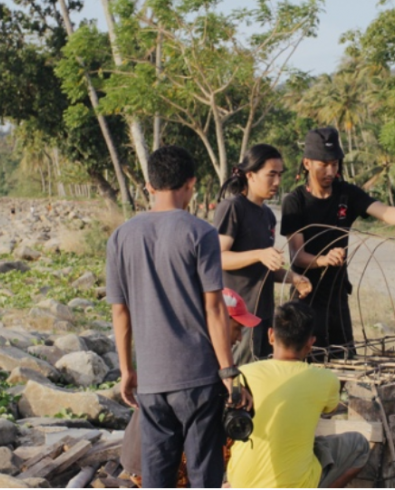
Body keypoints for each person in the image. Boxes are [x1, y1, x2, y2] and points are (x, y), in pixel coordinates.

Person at [106, 145, 250, 488]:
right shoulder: (200, 233)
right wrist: (228, 373)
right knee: (204, 474)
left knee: (157, 478)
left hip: (153, 384)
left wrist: (127, 370)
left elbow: (120, 311)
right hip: (199, 379)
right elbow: (215, 308)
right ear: (191, 184)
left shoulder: (120, 237)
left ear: (149, 185)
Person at [280, 127, 395, 356]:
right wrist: (325, 259)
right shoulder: (295, 201)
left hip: (337, 298)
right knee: (307, 365)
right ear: (307, 163)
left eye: (335, 164)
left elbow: (383, 211)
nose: (330, 171)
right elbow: (298, 255)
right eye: (323, 164)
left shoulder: (346, 194)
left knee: (344, 362)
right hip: (306, 298)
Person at [120, 288, 261, 487]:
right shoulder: (204, 366)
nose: (239, 338)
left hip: (145, 462)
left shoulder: (178, 350)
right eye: (237, 328)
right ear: (219, 321)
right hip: (156, 464)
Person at [227, 301, 370, 488]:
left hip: (240, 482)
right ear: (310, 343)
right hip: (296, 483)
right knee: (359, 445)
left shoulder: (243, 374)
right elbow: (330, 407)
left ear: (271, 335)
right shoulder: (325, 379)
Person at [215, 143, 311, 363]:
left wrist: (292, 278)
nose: (277, 182)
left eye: (279, 175)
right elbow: (218, 257)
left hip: (263, 315)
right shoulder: (232, 208)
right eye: (271, 175)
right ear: (251, 175)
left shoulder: (267, 215)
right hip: (237, 317)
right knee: (238, 382)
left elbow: (265, 266)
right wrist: (259, 254)